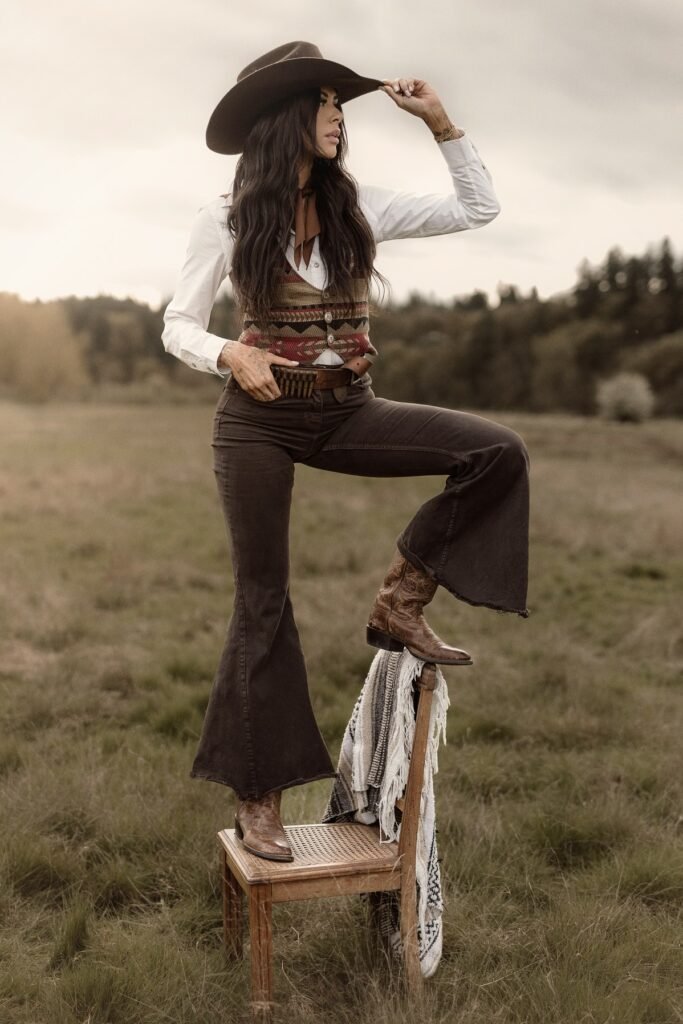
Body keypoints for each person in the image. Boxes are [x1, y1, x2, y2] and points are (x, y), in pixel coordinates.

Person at [162, 41, 529, 863]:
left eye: (339, 105)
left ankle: (401, 597)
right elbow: (176, 324)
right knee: (261, 601)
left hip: (346, 411)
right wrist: (230, 352)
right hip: (256, 421)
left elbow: (476, 209)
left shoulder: (359, 208)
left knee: (495, 452)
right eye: (327, 103)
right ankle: (260, 798)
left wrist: (441, 123)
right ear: (286, 119)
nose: (338, 117)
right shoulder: (222, 215)